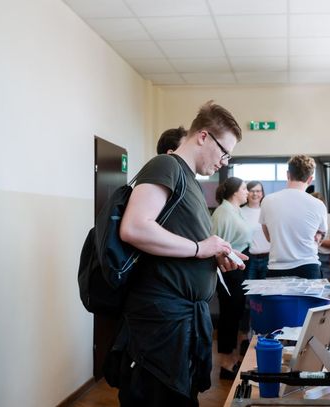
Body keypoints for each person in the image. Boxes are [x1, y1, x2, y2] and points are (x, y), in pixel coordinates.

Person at [118, 101, 247, 406]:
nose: (224, 162)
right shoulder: (166, 166)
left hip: (182, 321)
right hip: (160, 323)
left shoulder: (190, 181)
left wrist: (214, 255)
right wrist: (201, 248)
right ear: (203, 136)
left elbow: (178, 244)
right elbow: (134, 228)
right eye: (224, 152)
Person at [259, 155, 327, 279]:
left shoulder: (267, 201)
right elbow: (320, 237)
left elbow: (269, 237)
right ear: (310, 179)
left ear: (288, 174)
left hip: (277, 268)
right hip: (308, 267)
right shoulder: (318, 204)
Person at [211, 177, 252, 380]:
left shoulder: (235, 210)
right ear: (235, 192)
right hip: (228, 269)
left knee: (235, 313)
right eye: (244, 189)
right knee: (229, 314)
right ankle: (226, 364)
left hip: (237, 268)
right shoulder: (223, 212)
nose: (248, 192)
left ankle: (233, 359)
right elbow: (217, 244)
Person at [240, 181, 270, 280]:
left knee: (267, 288)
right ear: (246, 193)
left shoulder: (268, 210)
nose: (255, 194)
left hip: (268, 258)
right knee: (249, 288)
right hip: (249, 259)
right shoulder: (240, 212)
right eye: (252, 191)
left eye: (258, 191)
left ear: (262, 193)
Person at [310, 191, 330, 281]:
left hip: (326, 258)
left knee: (323, 283)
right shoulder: (309, 219)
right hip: (312, 255)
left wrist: (315, 239)